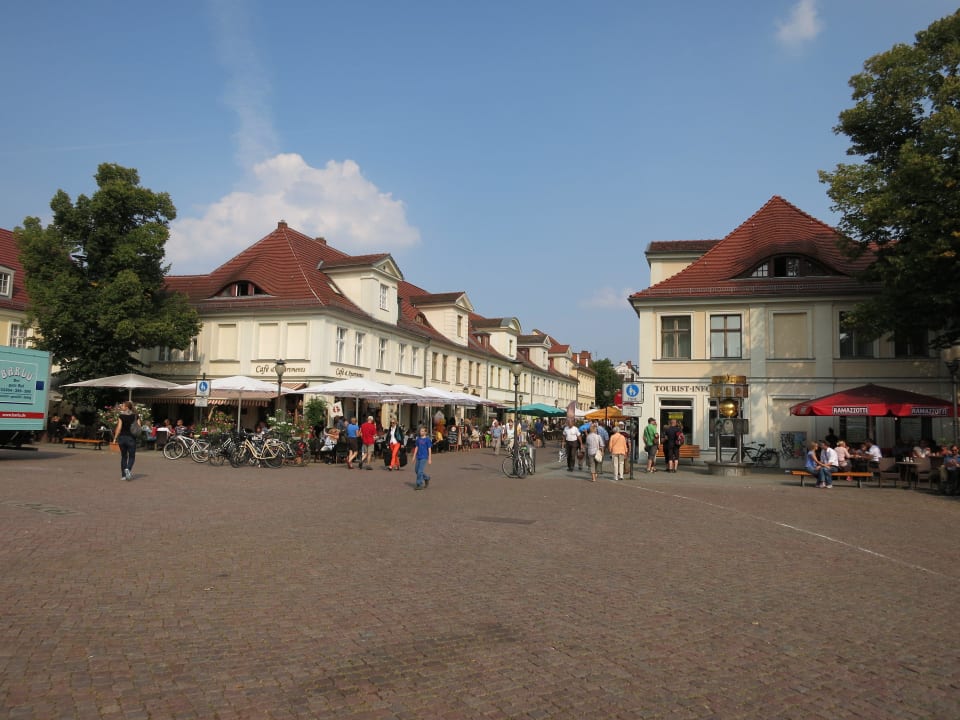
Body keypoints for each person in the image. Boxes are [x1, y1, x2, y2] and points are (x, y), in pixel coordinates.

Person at [113, 400, 139, 481]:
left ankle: (124, 476)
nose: (121, 407)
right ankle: (128, 468)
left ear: (126, 407)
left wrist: (115, 438)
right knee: (132, 456)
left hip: (122, 438)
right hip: (131, 438)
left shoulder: (121, 416)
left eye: (123, 406)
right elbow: (139, 427)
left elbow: (119, 427)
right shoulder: (135, 416)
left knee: (124, 457)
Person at [412, 425, 433, 490]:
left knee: (420, 471)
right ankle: (426, 478)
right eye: (421, 431)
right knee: (416, 470)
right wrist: (414, 456)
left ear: (425, 432)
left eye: (423, 431)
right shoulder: (418, 439)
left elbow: (429, 449)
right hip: (418, 456)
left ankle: (419, 484)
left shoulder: (427, 440)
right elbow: (416, 447)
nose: (421, 432)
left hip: (424, 457)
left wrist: (429, 459)